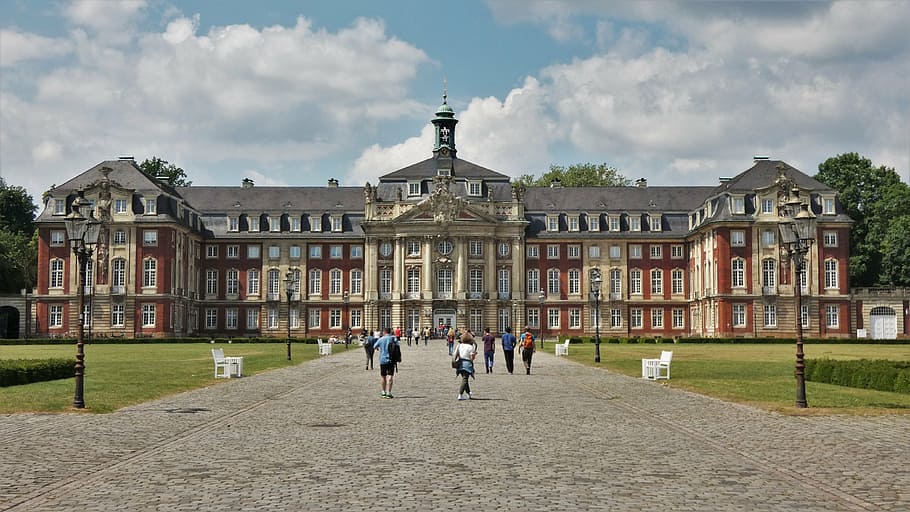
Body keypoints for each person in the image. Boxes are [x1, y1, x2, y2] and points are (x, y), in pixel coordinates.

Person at [373, 327, 399, 398]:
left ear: (384, 332)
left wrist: (379, 349)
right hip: (391, 360)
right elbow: (398, 347)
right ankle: (389, 392)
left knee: (383, 376)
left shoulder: (381, 339)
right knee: (390, 376)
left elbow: (374, 346)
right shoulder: (394, 339)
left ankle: (383, 391)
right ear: (390, 332)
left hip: (383, 360)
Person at [453, 330, 477, 400]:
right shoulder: (470, 347)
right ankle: (460, 394)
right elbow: (472, 358)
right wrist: (474, 355)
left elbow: (455, 354)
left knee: (464, 378)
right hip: (467, 364)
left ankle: (469, 393)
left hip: (460, 363)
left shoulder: (460, 345)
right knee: (465, 379)